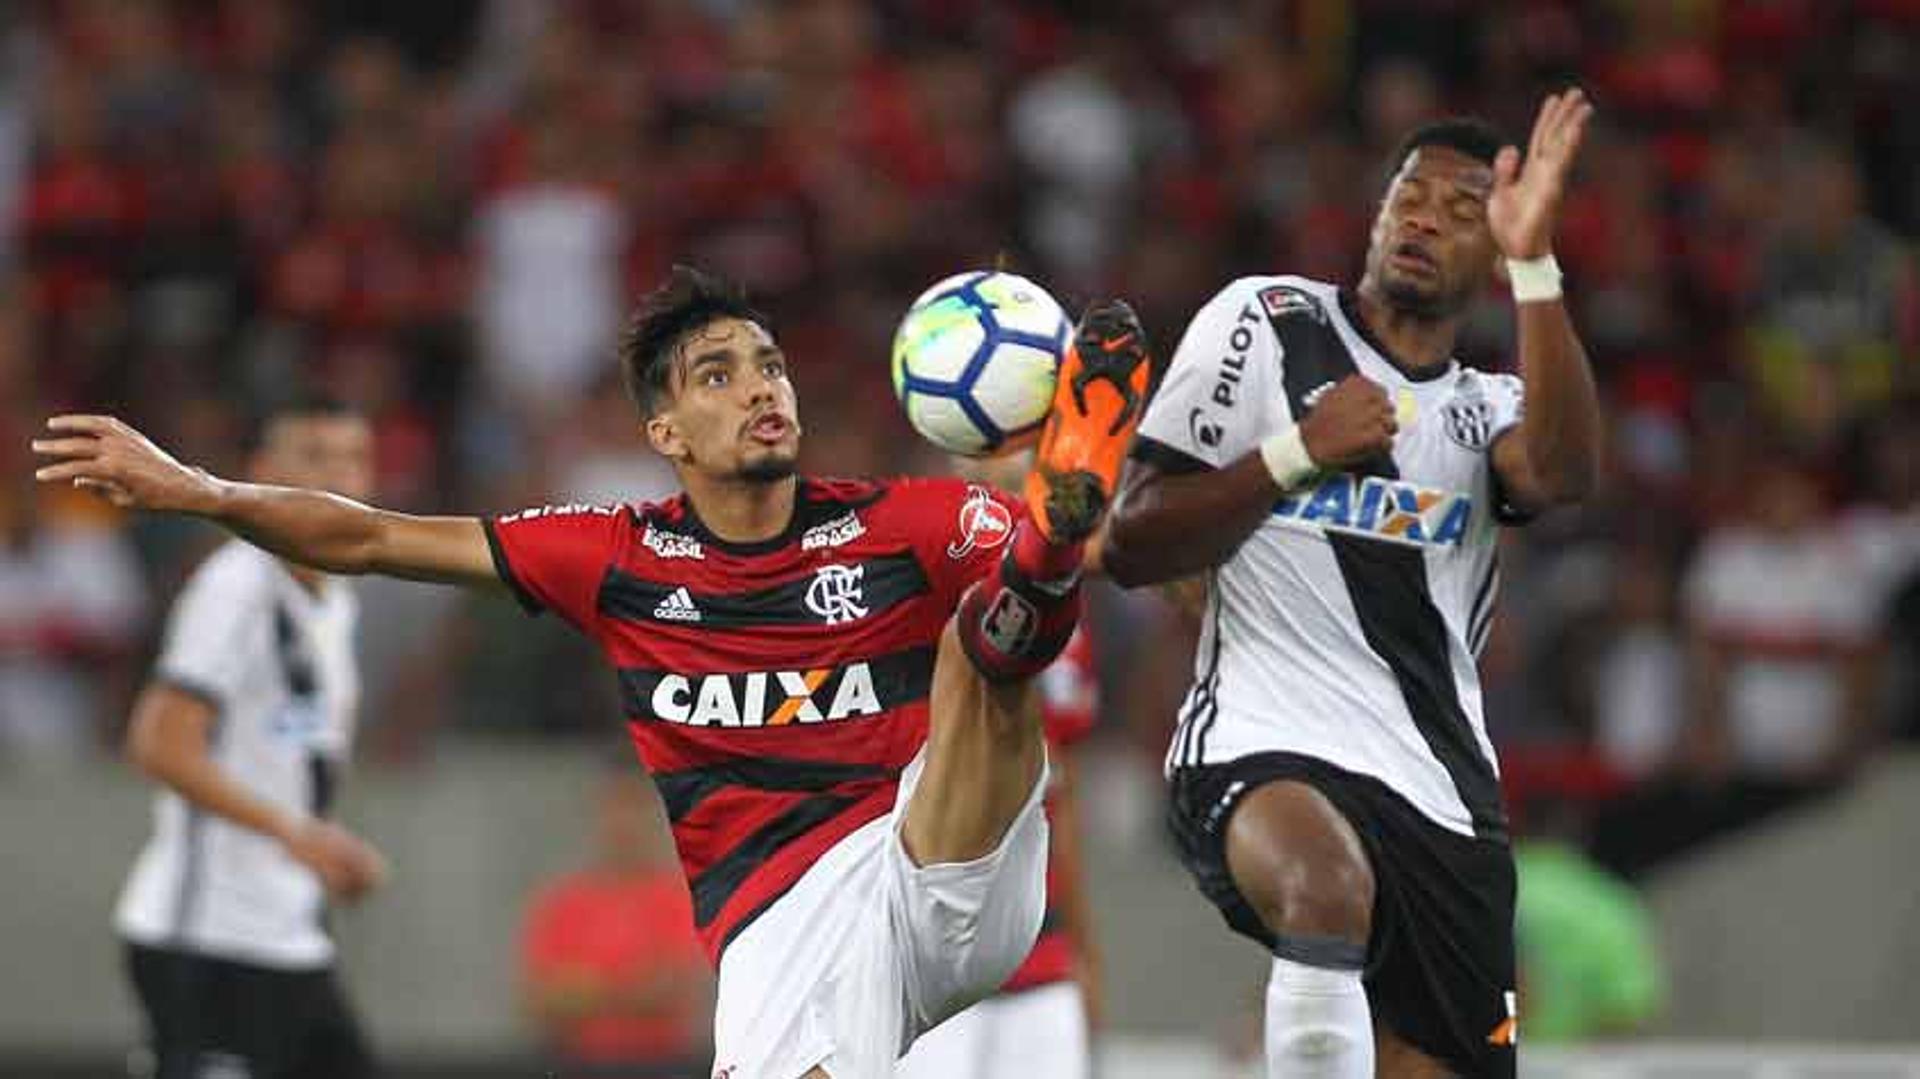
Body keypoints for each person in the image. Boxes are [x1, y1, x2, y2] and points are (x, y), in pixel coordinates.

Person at [35, 265, 1154, 1079]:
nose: (762, 388)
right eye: (719, 374)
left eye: (769, 365)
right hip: (776, 918)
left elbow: (1117, 558)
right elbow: (372, 536)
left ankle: (1045, 538)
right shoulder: (614, 552)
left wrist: (1072, 533)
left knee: (988, 627)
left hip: (941, 857)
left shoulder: (901, 519)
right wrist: (203, 489)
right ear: (665, 430)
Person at [1104, 90, 1602, 1077]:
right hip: (1259, 740)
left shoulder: (1485, 406)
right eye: (1408, 196)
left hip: (1441, 796)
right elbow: (1134, 541)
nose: (1423, 217)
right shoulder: (1265, 320)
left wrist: (1539, 263)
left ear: (1496, 257)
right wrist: (1294, 454)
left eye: (1464, 211)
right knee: (1324, 889)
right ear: (1375, 214)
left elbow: (1564, 472)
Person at [109, 394, 388, 1079]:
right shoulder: (237, 590)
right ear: (263, 470)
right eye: (315, 457)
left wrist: (314, 843)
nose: (339, 478)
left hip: (286, 930)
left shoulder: (333, 596)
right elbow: (158, 741)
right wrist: (294, 832)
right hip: (208, 938)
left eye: (353, 458)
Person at [898, 451, 1104, 1079]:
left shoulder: (1067, 633)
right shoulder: (911, 605)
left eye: (1020, 488)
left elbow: (1059, 801)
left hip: (1040, 957)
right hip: (935, 953)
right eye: (988, 487)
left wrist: (1084, 950)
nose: (1007, 506)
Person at [520, 766, 713, 1076]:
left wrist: (588, 989)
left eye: (633, 811)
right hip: (579, 1064)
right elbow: (541, 998)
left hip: (660, 1065)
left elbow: (672, 988)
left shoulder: (677, 899)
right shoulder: (564, 903)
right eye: (615, 812)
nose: (624, 825)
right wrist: (630, 987)